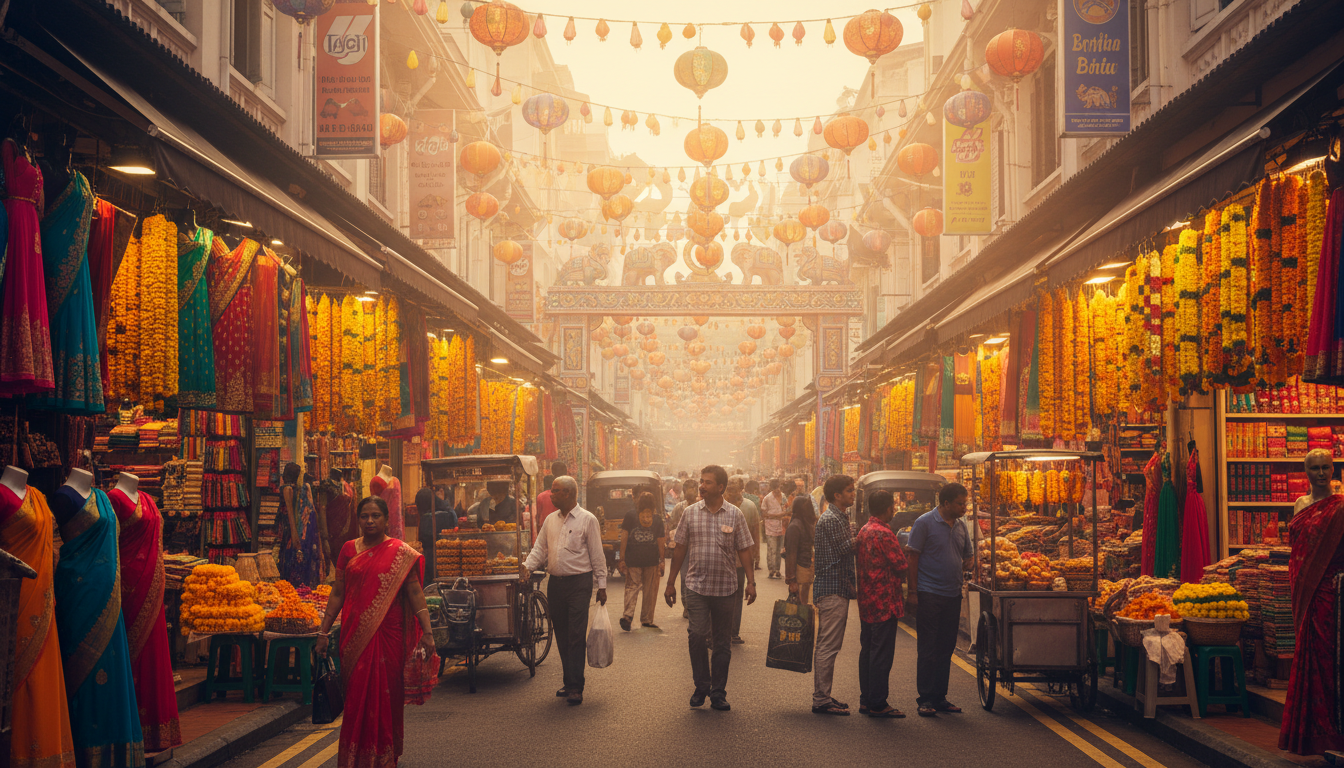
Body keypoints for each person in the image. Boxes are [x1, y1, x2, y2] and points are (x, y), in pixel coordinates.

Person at [316, 497, 434, 768]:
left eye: (375, 516)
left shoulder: (400, 552)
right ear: (358, 520)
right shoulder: (348, 550)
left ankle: (384, 755)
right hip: (354, 634)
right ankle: (355, 757)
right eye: (364, 516)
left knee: (386, 696)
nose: (370, 521)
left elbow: (414, 591)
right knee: (357, 697)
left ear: (386, 520)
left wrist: (427, 632)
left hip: (388, 634)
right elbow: (338, 592)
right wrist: (323, 633)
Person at [52, 478, 144, 764]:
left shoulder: (101, 497)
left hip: (108, 594)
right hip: (78, 594)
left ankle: (112, 749)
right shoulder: (63, 497)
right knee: (83, 673)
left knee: (110, 667)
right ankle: (84, 748)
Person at [664, 465, 756, 711]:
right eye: (701, 481)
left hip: (726, 588)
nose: (702, 486)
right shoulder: (690, 513)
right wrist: (671, 582)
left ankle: (718, 692)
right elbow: (680, 547)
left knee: (722, 642)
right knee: (696, 635)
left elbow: (745, 549)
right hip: (696, 587)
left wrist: (751, 582)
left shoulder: (735, 515)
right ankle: (701, 686)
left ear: (721, 487)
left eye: (707, 482)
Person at [1280, 449, 1344, 755]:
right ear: (1306, 473)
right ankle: (1307, 733)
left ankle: (1328, 730)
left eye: (1325, 468)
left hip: (1328, 590)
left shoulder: (1341, 508)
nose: (1320, 473)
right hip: (1303, 587)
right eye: (1314, 469)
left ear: (1334, 470)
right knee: (1306, 652)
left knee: (1326, 655)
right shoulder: (1300, 505)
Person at [110, 478, 181, 752]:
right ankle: (131, 726)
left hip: (151, 584)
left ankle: (155, 728)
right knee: (131, 653)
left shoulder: (147, 498)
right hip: (129, 586)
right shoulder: (113, 499)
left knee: (152, 653)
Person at [522, 476, 607, 705]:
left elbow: (597, 555)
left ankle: (576, 686)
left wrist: (602, 585)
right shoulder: (550, 520)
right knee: (561, 633)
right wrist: (526, 568)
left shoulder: (588, 520)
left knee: (576, 635)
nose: (551, 495)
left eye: (556, 491)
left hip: (580, 584)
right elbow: (539, 549)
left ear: (568, 493)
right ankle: (568, 680)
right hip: (556, 584)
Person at [907, 482, 974, 717]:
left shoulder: (961, 525)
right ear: (946, 503)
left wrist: (969, 561)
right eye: (960, 503)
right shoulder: (924, 523)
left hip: (952, 594)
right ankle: (925, 698)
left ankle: (940, 696)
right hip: (929, 593)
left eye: (965, 503)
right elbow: (912, 558)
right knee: (928, 647)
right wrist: (913, 592)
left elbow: (968, 554)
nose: (964, 507)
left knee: (946, 647)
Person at [855, 489, 909, 718]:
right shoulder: (884, 534)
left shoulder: (864, 530)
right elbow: (901, 566)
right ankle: (878, 702)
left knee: (868, 650)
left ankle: (867, 699)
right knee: (881, 654)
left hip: (867, 600)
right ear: (889, 508)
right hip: (884, 601)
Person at [812, 474, 857, 716]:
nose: (853, 494)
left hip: (836, 586)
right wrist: (869, 535)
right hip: (831, 588)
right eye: (849, 491)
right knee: (828, 645)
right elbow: (845, 548)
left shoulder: (839, 517)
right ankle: (821, 699)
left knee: (829, 644)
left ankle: (824, 695)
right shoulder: (831, 519)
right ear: (837, 495)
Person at [618, 491, 666, 631]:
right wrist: (662, 560)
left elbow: (624, 537)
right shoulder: (657, 520)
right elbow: (660, 541)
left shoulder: (630, 516)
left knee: (632, 587)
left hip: (633, 559)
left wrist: (622, 558)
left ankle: (628, 616)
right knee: (650, 590)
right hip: (652, 560)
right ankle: (647, 619)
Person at [725, 479, 759, 644]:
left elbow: (755, 532)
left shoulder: (750, 507)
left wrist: (756, 554)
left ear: (741, 490)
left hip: (741, 561)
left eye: (735, 489)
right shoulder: (720, 506)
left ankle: (733, 632)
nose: (731, 492)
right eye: (729, 489)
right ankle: (720, 631)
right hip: (722, 561)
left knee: (738, 595)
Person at [280, 462, 324, 587]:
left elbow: (290, 515)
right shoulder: (304, 489)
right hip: (304, 534)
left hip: (294, 534)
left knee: (293, 564)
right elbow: (312, 512)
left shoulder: (288, 490)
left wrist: (295, 538)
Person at [417, 487, 456, 583]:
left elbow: (423, 540)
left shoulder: (427, 518)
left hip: (431, 558)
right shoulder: (448, 511)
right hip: (450, 557)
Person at [785, 495, 817, 606]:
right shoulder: (795, 526)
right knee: (801, 606)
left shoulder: (804, 524)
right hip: (800, 571)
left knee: (804, 605)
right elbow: (791, 555)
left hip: (806, 569)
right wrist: (791, 580)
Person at [533, 461, 566, 542]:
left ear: (553, 472)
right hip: (563, 534)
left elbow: (537, 519)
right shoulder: (568, 494)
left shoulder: (541, 496)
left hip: (546, 535)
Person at [762, 479, 788, 579]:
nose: (777, 490)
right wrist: (777, 515)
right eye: (775, 488)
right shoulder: (767, 498)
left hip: (781, 527)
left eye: (778, 487)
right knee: (771, 549)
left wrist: (784, 513)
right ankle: (771, 569)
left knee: (779, 549)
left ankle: (777, 569)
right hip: (770, 527)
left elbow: (786, 508)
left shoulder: (783, 496)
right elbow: (764, 514)